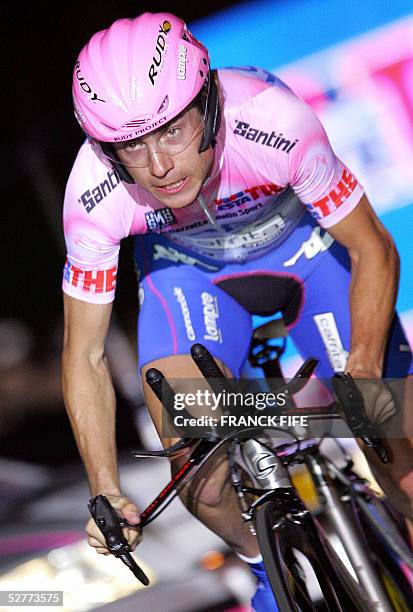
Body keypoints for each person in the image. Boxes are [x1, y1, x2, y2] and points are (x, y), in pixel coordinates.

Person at [62, 11, 413, 610]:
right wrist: (106, 490)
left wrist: (360, 366)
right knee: (190, 452)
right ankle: (262, 564)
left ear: (211, 104)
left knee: (395, 440)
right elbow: (85, 355)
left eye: (171, 131)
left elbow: (371, 246)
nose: (158, 166)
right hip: (192, 279)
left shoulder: (271, 120)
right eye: (131, 148)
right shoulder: (94, 193)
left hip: (306, 256)